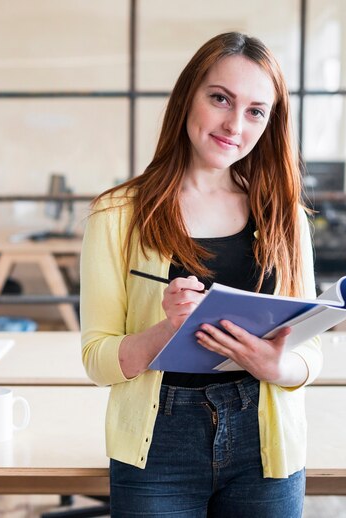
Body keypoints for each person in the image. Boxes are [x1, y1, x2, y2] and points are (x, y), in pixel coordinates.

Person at [80, 32, 322, 517]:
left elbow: (309, 350)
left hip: (264, 434)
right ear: (188, 96)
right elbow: (96, 360)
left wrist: (278, 368)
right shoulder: (118, 214)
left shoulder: (284, 216)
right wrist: (165, 331)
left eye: (256, 111)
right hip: (158, 444)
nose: (235, 123)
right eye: (220, 99)